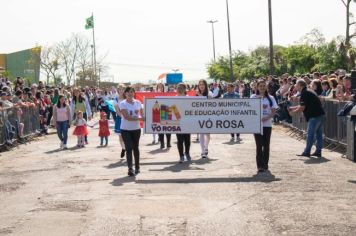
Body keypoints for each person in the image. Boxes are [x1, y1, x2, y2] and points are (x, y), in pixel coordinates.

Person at [288, 79, 325, 157]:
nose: (295, 86)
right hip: (320, 115)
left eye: (296, 85)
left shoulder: (304, 93)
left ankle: (307, 152)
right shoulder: (308, 91)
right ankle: (318, 151)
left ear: (300, 85)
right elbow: (305, 105)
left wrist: (293, 113)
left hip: (314, 116)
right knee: (318, 135)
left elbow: (302, 107)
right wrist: (293, 108)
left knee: (310, 134)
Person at [251, 79, 278, 173]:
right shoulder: (253, 97)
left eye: (263, 86)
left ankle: (265, 164)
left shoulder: (271, 98)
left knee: (266, 145)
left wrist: (267, 117)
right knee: (259, 145)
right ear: (257, 87)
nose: (262, 87)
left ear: (266, 87)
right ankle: (260, 166)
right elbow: (250, 110)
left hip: (267, 125)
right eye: (260, 86)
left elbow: (274, 111)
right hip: (256, 125)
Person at [119, 86, 144, 176]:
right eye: (128, 92)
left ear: (134, 93)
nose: (130, 93)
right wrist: (141, 119)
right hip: (125, 129)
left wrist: (144, 118)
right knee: (129, 148)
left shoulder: (138, 102)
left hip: (136, 129)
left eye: (132, 92)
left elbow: (143, 114)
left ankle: (137, 167)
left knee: (136, 148)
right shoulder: (123, 103)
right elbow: (126, 117)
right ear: (125, 93)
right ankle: (130, 168)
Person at [196, 79, 213, 158]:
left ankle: (206, 147)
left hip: (208, 116)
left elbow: (209, 103)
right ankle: (203, 151)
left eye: (202, 84)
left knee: (208, 135)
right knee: (201, 134)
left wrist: (200, 96)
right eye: (200, 84)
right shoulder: (196, 94)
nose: (201, 86)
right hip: (199, 116)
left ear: (205, 85)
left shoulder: (209, 94)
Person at [176, 83, 191, 163]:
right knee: (179, 140)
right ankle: (181, 156)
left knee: (187, 140)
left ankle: (187, 153)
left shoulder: (188, 98)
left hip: (187, 122)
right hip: (177, 122)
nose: (179, 89)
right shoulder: (173, 99)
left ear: (185, 89)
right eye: (178, 88)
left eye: (181, 88)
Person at [156, 83, 171, 149]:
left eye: (161, 87)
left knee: (168, 128)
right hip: (158, 112)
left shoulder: (167, 94)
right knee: (160, 129)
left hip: (166, 111)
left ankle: (168, 142)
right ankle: (162, 143)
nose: (160, 88)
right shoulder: (154, 94)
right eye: (159, 87)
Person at [113, 85, 126, 158]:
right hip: (120, 119)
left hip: (128, 119)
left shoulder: (127, 98)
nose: (121, 90)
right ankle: (123, 148)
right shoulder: (115, 100)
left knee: (127, 135)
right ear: (118, 90)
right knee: (120, 136)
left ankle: (128, 148)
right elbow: (117, 111)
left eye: (123, 89)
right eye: (120, 89)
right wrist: (124, 117)